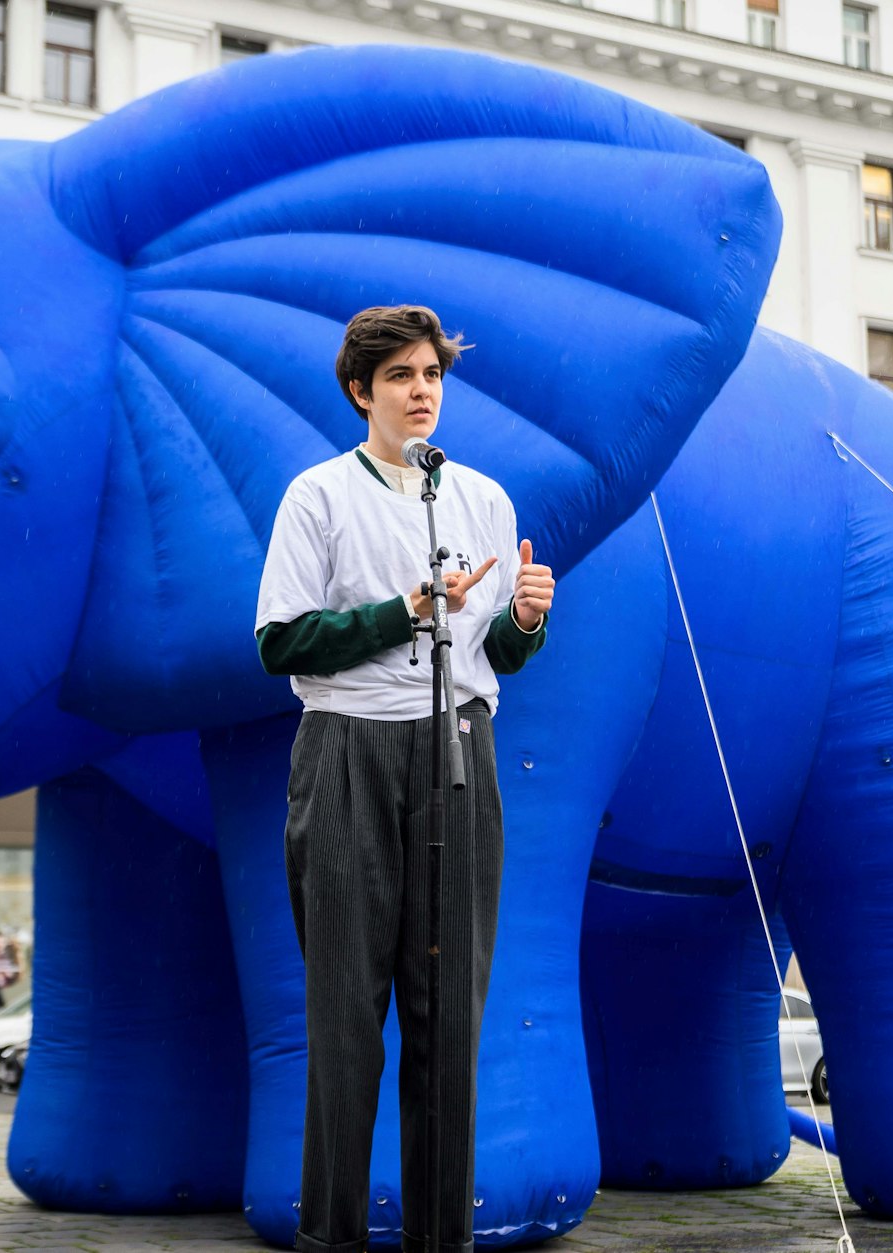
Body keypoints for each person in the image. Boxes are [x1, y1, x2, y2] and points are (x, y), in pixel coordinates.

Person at [254, 305, 556, 1253]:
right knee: (346, 1019)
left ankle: (441, 1242)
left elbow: (493, 652)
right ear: (361, 391)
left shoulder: (484, 501)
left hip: (458, 756)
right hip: (347, 751)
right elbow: (282, 641)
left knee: (449, 1020)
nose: (421, 391)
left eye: (431, 374)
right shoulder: (317, 496)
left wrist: (528, 621)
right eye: (400, 377)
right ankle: (332, 1238)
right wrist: (404, 610)